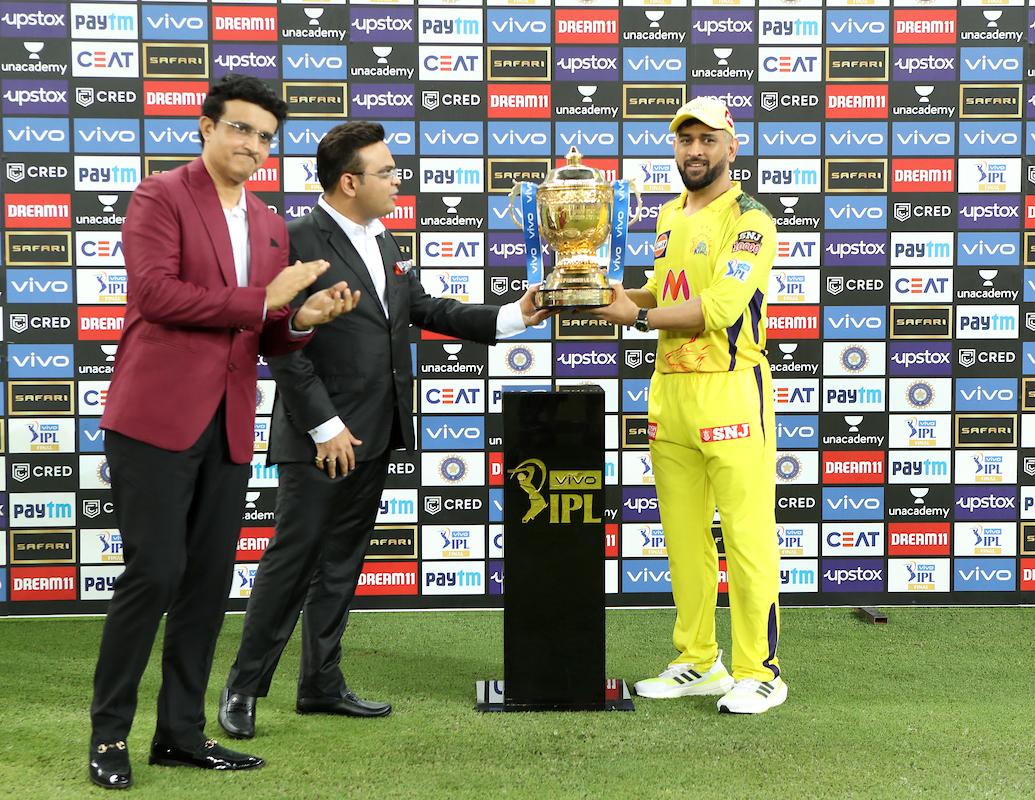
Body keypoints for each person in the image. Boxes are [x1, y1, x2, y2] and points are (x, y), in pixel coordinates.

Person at [217, 121, 551, 739]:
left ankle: (320, 684)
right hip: (319, 440)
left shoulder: (383, 240)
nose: (399, 181)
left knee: (340, 567)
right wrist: (324, 426)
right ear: (350, 182)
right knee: (291, 566)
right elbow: (283, 348)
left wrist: (515, 313)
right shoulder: (293, 240)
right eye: (388, 172)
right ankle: (242, 687)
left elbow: (426, 310)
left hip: (375, 431)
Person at [87, 73, 359, 790]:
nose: (252, 145)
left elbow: (267, 335)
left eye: (265, 137)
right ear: (205, 128)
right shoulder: (160, 196)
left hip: (229, 426)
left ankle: (180, 732)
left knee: (207, 584)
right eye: (240, 128)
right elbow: (155, 293)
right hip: (153, 419)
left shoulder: (270, 224)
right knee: (155, 574)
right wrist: (262, 298)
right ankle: (109, 737)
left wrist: (302, 318)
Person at [587, 97, 784, 714]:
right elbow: (663, 291)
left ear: (733, 145)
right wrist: (603, 291)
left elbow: (721, 307)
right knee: (683, 538)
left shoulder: (751, 218)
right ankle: (699, 660)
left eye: (707, 140)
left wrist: (638, 315)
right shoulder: (669, 214)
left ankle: (761, 671)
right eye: (685, 140)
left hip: (730, 388)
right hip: (669, 393)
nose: (694, 151)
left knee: (748, 539)